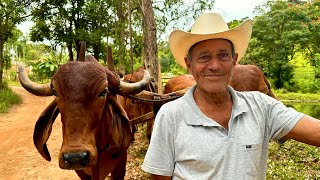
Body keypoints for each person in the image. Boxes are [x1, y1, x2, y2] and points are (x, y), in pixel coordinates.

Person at [141, 12, 320, 179]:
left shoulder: (262, 107)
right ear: (189, 64)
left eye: (223, 55)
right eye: (204, 57)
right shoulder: (170, 116)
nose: (215, 65)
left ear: (235, 60)